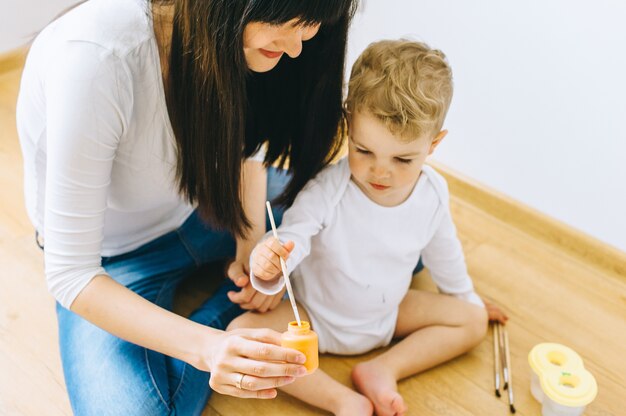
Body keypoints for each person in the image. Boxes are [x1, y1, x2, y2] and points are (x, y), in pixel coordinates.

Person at [16, 0, 358, 414]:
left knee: (366, 225)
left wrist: (249, 240)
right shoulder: (94, 60)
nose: (296, 47)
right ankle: (224, 317)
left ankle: (232, 315)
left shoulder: (242, 36)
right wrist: (210, 348)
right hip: (114, 261)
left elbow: (247, 145)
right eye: (286, 20)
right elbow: (72, 273)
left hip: (207, 208)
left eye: (309, 25)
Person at [228, 39, 509, 416]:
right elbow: (292, 238)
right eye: (363, 151)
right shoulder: (329, 188)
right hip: (313, 316)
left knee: (472, 321)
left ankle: (383, 369)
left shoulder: (433, 194)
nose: (380, 171)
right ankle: (341, 400)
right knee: (238, 335)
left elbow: (445, 252)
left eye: (402, 159)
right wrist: (268, 268)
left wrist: (464, 297)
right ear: (349, 126)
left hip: (387, 314)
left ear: (433, 145)